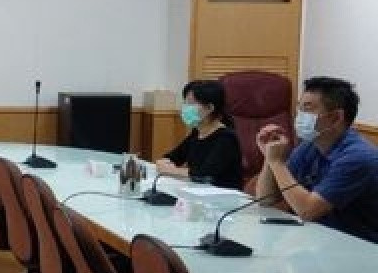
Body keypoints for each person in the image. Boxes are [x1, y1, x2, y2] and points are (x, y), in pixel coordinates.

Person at [255, 76, 378, 243]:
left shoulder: (359, 157)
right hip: (318, 239)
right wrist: (269, 157)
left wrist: (277, 162)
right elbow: (267, 199)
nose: (299, 115)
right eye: (299, 108)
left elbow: (307, 211)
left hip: (359, 246)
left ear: (336, 117)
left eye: (307, 109)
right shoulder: (310, 146)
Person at [155, 80, 243, 189]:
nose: (185, 108)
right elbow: (172, 157)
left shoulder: (226, 138)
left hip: (224, 196)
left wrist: (171, 170)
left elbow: (204, 174)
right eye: (185, 102)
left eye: (191, 103)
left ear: (210, 108)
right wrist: (164, 164)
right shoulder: (197, 133)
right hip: (198, 192)